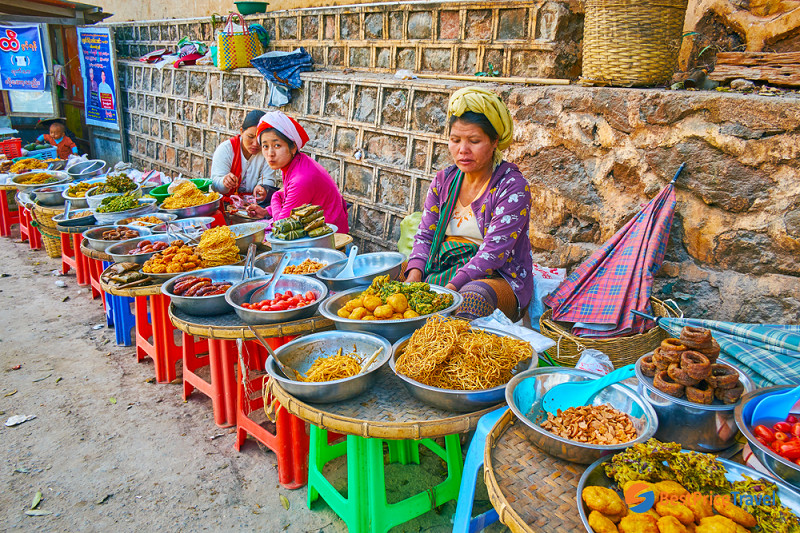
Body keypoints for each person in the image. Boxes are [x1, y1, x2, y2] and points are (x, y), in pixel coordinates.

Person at [404, 87, 533, 320]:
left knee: (470, 301)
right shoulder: (444, 181)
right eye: (455, 140)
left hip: (496, 277)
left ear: (495, 142)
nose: (462, 150)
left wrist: (448, 293)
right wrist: (412, 280)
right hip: (444, 265)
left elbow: (493, 254)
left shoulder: (512, 187)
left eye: (474, 141)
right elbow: (425, 236)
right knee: (394, 282)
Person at [246, 111, 349, 233]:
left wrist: (275, 196)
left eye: (277, 145)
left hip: (328, 238)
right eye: (265, 146)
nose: (270, 154)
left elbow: (281, 225)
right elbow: (290, 202)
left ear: (293, 147)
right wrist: (266, 211)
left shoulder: (301, 179)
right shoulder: (297, 163)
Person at [210, 109, 277, 203]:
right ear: (241, 131)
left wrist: (262, 189)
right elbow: (214, 184)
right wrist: (224, 182)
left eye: (260, 139)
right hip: (226, 204)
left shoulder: (267, 152)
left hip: (254, 205)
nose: (256, 144)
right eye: (250, 137)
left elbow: (268, 179)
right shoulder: (226, 149)